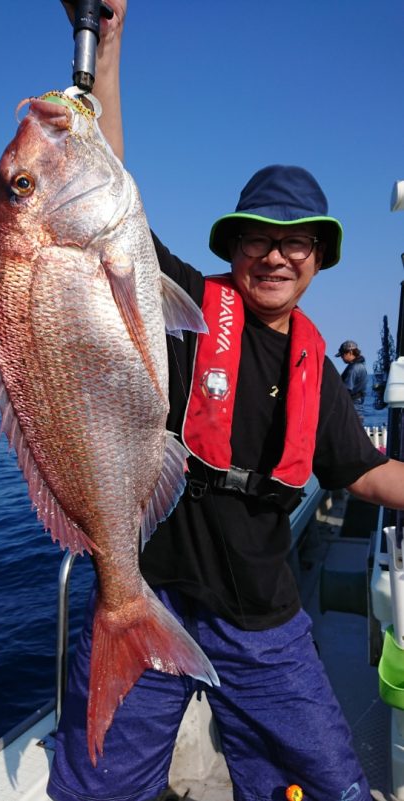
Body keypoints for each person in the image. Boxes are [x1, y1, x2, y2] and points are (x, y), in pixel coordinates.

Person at [49, 4, 404, 801]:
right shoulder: (179, 307)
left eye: (297, 240)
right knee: (99, 786)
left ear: (319, 258)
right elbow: (106, 193)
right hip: (151, 589)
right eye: (258, 237)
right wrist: (108, 44)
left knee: (322, 781)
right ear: (231, 247)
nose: (276, 253)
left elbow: (367, 473)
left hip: (265, 620)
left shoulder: (316, 358)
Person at [336, 340, 369, 421]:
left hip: (352, 408)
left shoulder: (353, 368)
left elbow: (346, 390)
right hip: (358, 408)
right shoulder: (361, 365)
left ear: (350, 352)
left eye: (343, 355)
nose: (341, 358)